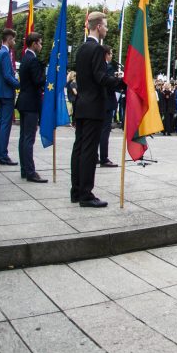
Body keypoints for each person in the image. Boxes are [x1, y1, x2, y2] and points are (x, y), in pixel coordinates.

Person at [70, 12, 125, 207]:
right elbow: (100, 77)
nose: (107, 29)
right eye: (106, 26)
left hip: (82, 104)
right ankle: (86, 194)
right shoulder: (97, 50)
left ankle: (76, 190)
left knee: (79, 148)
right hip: (93, 106)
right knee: (88, 150)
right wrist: (122, 83)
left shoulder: (82, 48)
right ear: (98, 27)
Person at [16, 32, 47, 182]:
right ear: (34, 43)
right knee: (29, 138)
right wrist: (45, 74)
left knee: (23, 138)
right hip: (30, 103)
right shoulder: (32, 60)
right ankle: (30, 171)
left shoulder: (25, 58)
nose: (41, 46)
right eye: (40, 43)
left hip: (24, 101)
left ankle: (25, 169)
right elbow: (38, 81)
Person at [0, 29, 20, 167]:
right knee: (5, 124)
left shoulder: (1, 52)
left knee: (1, 124)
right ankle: (3, 154)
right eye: (14, 40)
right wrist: (19, 85)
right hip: (6, 93)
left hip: (2, 92)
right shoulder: (4, 54)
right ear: (9, 39)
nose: (14, 42)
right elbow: (7, 75)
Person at [97, 45, 119, 168]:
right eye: (110, 54)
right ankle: (104, 158)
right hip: (107, 102)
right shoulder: (108, 67)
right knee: (105, 131)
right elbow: (111, 84)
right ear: (106, 54)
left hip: (99, 103)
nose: (111, 56)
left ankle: (96, 156)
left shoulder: (98, 67)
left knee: (98, 131)